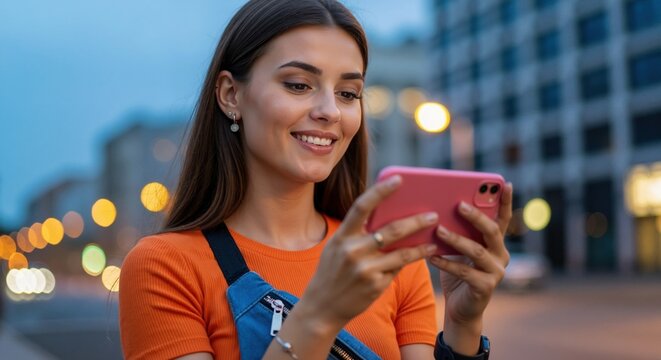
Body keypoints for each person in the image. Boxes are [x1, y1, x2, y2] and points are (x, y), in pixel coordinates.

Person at [118, 0, 513, 359]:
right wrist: (322, 313)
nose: (331, 112)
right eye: (298, 85)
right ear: (230, 95)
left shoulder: (393, 261)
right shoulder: (164, 266)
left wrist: (462, 326)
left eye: (348, 93)